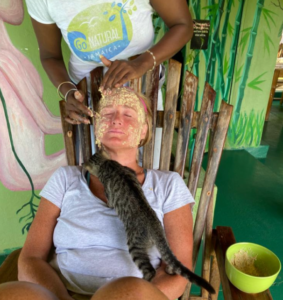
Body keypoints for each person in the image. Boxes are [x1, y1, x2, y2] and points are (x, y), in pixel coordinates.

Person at [0, 87, 195, 300]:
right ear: (97, 127)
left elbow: (178, 271)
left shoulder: (168, 185)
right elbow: (31, 258)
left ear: (143, 131)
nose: (116, 120)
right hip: (59, 294)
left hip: (133, 297)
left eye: (128, 114)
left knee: (129, 290)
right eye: (108, 113)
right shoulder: (66, 178)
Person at [24, 0, 193, 125]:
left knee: (146, 164)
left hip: (144, 92)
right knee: (98, 168)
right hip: (88, 101)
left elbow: (183, 25)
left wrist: (141, 63)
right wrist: (70, 93)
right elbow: (50, 56)